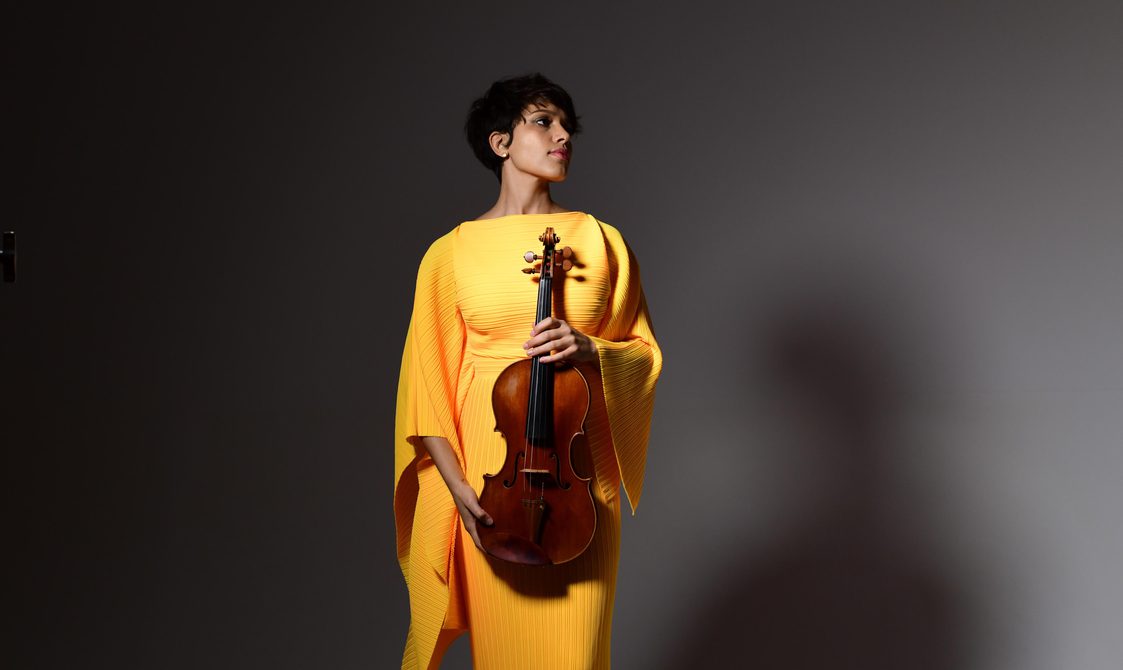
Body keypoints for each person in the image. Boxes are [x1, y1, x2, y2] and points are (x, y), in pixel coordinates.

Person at [394, 73, 662, 670]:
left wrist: (591, 349)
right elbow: (426, 381)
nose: (563, 135)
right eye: (544, 122)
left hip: (578, 492)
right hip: (492, 487)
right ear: (500, 143)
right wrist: (460, 490)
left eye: (568, 125)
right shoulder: (450, 253)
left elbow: (643, 356)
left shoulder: (601, 242)